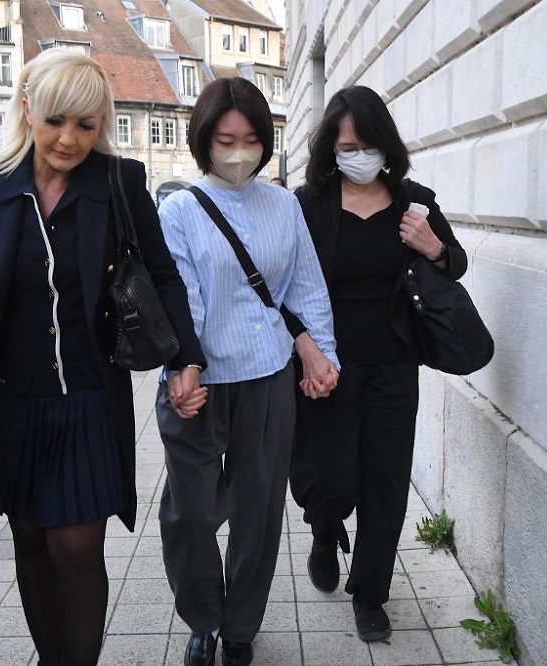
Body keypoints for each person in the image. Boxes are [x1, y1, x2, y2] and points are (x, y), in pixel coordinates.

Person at [0, 49, 206, 666]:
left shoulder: (120, 184)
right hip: (9, 397)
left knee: (76, 547)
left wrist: (187, 361)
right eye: (55, 120)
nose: (69, 139)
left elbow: (164, 278)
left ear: (101, 125)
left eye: (86, 125)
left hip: (88, 398)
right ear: (27, 109)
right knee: (32, 540)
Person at [155, 77, 339, 666]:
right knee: (191, 513)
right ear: (203, 141)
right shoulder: (179, 209)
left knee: (258, 510)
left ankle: (238, 628)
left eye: (251, 139)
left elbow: (305, 287)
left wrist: (322, 354)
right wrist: (183, 365)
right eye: (225, 139)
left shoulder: (284, 205)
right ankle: (202, 618)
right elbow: (180, 295)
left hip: (267, 378)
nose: (239, 152)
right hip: (199, 384)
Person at [287, 85, 468, 642]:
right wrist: (304, 346)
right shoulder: (308, 204)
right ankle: (324, 529)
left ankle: (370, 593)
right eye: (345, 147)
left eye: (366, 144)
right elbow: (283, 287)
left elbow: (455, 263)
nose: (356, 155)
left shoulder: (413, 201)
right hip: (326, 367)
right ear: (329, 150)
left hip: (393, 363)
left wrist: (432, 245)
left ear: (385, 145)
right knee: (330, 477)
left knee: (385, 481)